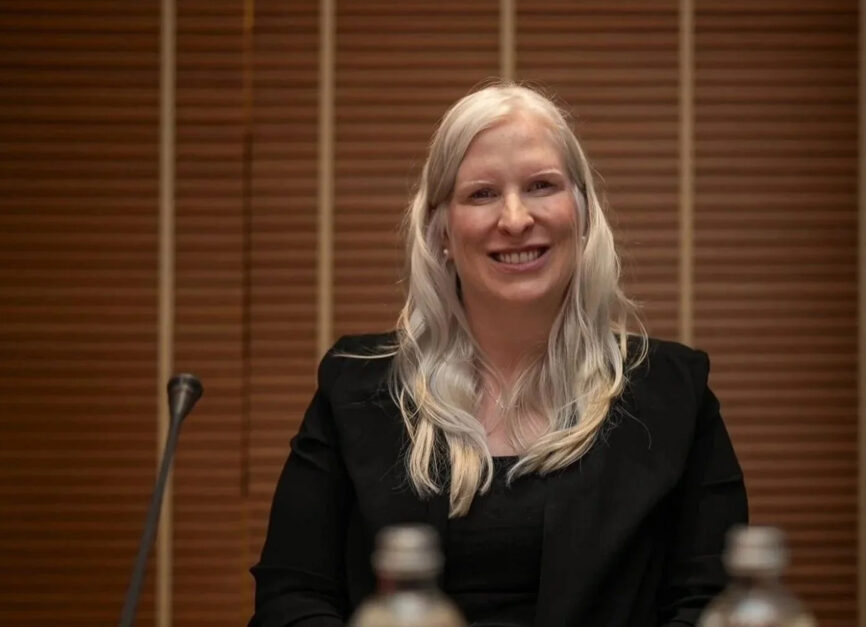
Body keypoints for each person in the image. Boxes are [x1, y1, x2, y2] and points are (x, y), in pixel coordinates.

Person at [249, 83, 748, 627]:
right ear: (441, 229)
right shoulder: (355, 391)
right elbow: (291, 600)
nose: (514, 219)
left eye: (541, 186)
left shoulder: (673, 395)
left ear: (582, 212)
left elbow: (714, 606)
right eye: (482, 194)